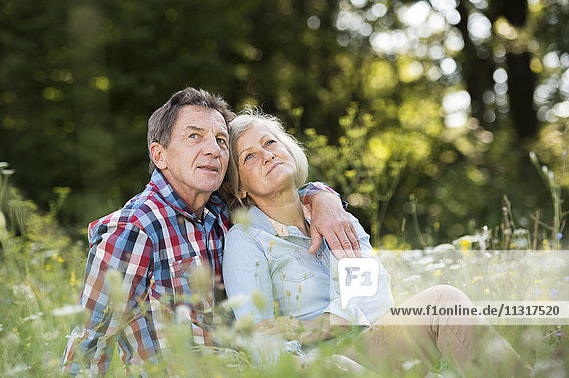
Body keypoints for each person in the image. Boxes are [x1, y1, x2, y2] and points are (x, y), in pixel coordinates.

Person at [62, 88, 359, 376]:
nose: (213, 150)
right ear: (159, 155)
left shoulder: (218, 209)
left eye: (221, 140)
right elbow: (90, 341)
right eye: (195, 136)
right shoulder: (134, 229)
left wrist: (325, 199)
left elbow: (280, 192)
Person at [222, 109, 532, 377]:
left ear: (288, 149)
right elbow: (261, 338)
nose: (266, 155)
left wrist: (320, 324)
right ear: (240, 189)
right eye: (249, 156)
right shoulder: (247, 241)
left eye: (270, 142)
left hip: (377, 343)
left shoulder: (335, 217)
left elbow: (376, 297)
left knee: (441, 303)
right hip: (322, 366)